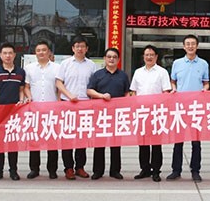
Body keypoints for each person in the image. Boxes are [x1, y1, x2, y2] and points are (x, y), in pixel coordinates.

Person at [168, 34, 209, 182]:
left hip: (196, 107)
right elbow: (173, 81)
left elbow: (206, 82)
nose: (190, 46)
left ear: (197, 46)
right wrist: (173, 88)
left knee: (196, 142)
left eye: (193, 44)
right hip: (180, 107)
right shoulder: (177, 63)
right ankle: (176, 170)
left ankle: (195, 170)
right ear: (184, 46)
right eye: (188, 44)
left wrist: (205, 89)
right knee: (178, 141)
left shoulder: (203, 64)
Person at [56, 36, 98, 180]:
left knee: (82, 137)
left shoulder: (92, 65)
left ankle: (80, 167)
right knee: (67, 137)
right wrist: (69, 95)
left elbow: (94, 85)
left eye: (82, 46)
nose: (80, 49)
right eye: (77, 46)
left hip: (85, 105)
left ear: (87, 49)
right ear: (73, 48)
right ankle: (68, 167)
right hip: (68, 103)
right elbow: (59, 83)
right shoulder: (65, 64)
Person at [87, 47, 130, 180]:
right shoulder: (97, 74)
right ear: (105, 59)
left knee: (116, 143)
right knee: (99, 143)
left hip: (117, 114)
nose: (112, 59)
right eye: (109, 57)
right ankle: (98, 171)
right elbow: (89, 91)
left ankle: (115, 171)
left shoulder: (123, 75)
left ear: (118, 59)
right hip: (100, 114)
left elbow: (127, 93)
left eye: (114, 57)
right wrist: (101, 96)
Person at [130, 45, 172, 182]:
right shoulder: (138, 72)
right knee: (142, 143)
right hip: (141, 112)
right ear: (143, 56)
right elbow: (133, 91)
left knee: (156, 144)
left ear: (156, 57)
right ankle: (145, 169)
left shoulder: (162, 72)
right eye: (147, 55)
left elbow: (166, 92)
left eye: (151, 55)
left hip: (156, 113)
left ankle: (156, 171)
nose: (149, 57)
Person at [0, 43, 26, 181]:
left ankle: (13, 171)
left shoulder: (20, 72)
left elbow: (21, 90)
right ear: (0, 55)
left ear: (14, 55)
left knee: (13, 142)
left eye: (10, 53)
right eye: (5, 53)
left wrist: (21, 100)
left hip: (14, 112)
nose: (8, 56)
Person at [23, 40, 60, 179]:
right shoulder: (29, 68)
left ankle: (52, 170)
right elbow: (26, 86)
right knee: (34, 140)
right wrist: (29, 98)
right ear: (35, 53)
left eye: (44, 50)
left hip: (52, 109)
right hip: (35, 109)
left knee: (52, 140)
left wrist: (59, 102)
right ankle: (34, 169)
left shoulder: (57, 67)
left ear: (49, 51)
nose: (41, 52)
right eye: (38, 50)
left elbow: (60, 87)